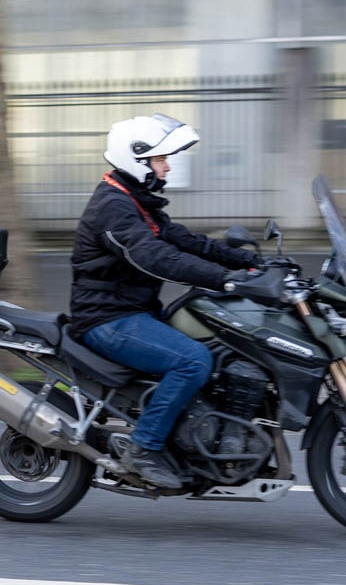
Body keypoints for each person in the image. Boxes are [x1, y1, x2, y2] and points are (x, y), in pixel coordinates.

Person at [69, 113, 262, 489]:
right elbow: (155, 256)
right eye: (160, 159)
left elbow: (183, 240)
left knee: (221, 346)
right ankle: (143, 448)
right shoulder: (113, 207)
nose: (168, 167)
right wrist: (224, 279)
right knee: (194, 360)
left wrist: (247, 261)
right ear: (137, 160)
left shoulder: (135, 201)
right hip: (107, 319)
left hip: (134, 311)